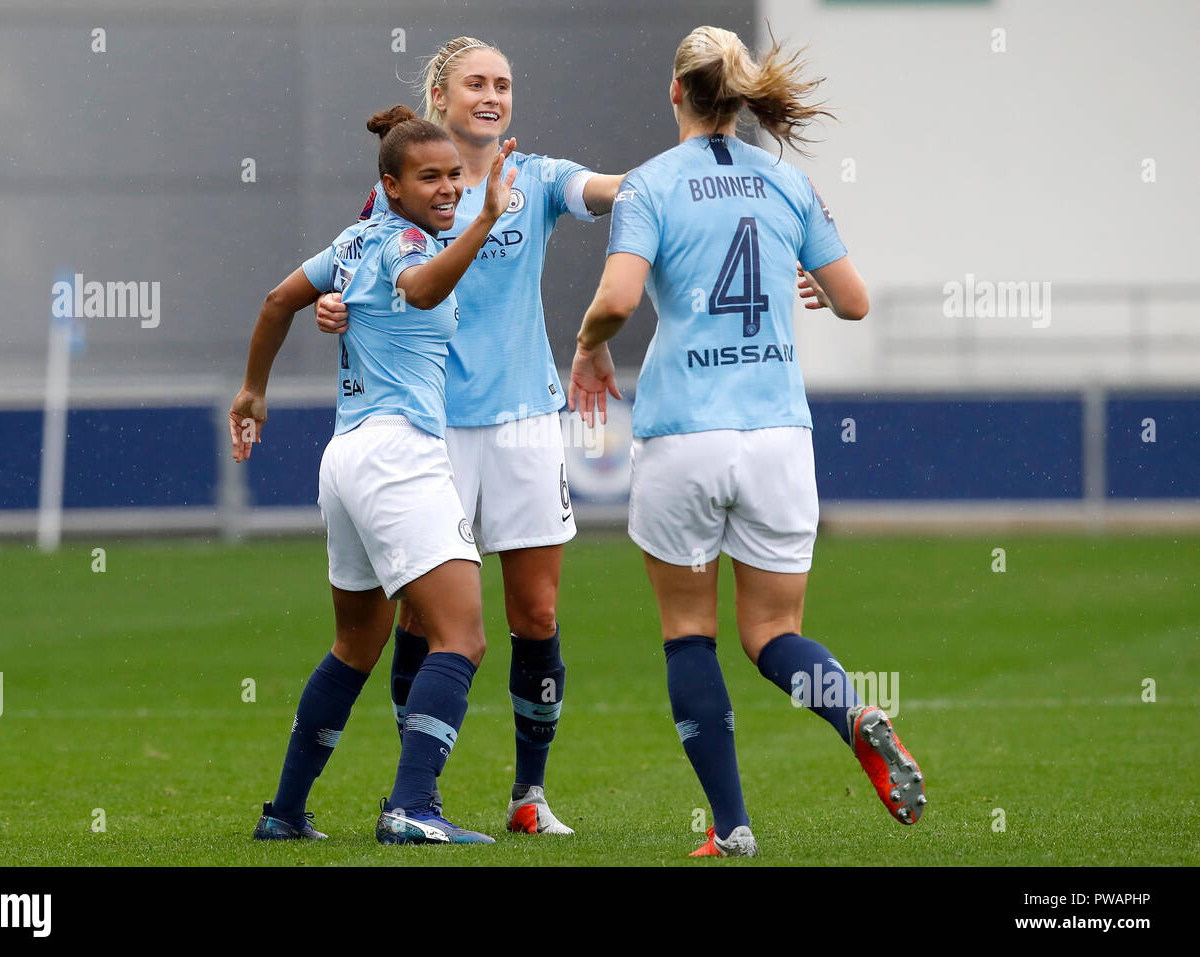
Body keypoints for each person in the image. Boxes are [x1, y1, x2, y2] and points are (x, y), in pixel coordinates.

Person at [567, 25, 926, 858]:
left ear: (675, 93)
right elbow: (856, 301)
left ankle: (731, 827)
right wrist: (805, 280)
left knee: (688, 632)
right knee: (772, 634)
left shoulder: (650, 186)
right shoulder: (786, 182)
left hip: (685, 437)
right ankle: (852, 711)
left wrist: (588, 345)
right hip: (776, 439)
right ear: (741, 95)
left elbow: (619, 300)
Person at [314, 36, 625, 834]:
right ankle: (420, 794)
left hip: (524, 422)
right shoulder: (402, 191)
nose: (492, 95)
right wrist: (334, 308)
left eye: (504, 84)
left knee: (538, 615)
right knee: (422, 622)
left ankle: (529, 795)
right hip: (431, 426)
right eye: (476, 83)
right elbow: (355, 281)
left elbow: (618, 190)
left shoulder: (541, 179)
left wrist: (693, 178)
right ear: (441, 97)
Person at [230, 104, 517, 845]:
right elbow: (420, 290)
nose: (449, 187)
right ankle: (412, 807)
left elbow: (276, 301)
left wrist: (252, 389)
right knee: (463, 636)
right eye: (431, 178)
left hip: (347, 455)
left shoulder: (355, 238)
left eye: (456, 175)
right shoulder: (409, 246)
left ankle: (286, 812)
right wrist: (486, 221)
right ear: (392, 186)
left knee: (356, 645)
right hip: (399, 455)